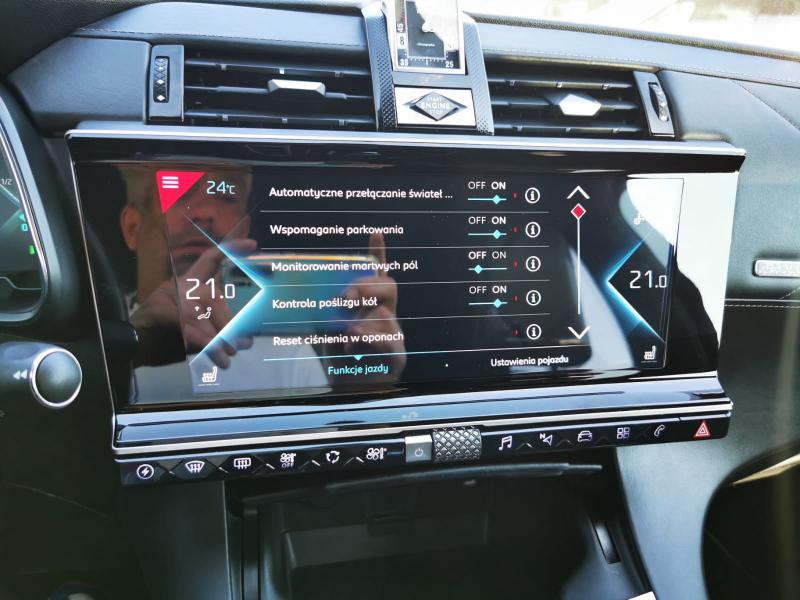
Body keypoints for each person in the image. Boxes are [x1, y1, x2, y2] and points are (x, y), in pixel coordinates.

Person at [117, 165, 404, 401]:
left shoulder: (288, 356)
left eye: (226, 194)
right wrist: (126, 348)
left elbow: (336, 449)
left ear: (243, 229)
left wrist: (363, 390)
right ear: (132, 228)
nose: (204, 212)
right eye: (179, 191)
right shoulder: (102, 341)